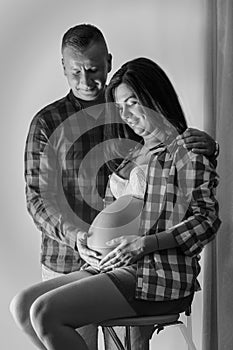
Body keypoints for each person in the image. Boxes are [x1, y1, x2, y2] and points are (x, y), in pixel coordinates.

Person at [18, 23, 219, 350]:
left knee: (61, 320)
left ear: (108, 62)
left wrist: (208, 150)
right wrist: (77, 237)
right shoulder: (49, 123)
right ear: (64, 69)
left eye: (94, 70)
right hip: (75, 257)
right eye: (75, 72)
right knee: (26, 309)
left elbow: (197, 209)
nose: (85, 81)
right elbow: (37, 199)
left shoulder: (167, 142)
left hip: (142, 269)